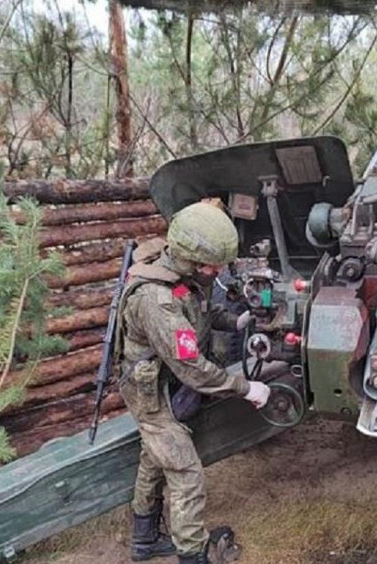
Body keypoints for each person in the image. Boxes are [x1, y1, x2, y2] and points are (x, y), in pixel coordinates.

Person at [116, 202, 271, 563]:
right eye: (210, 265)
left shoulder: (183, 280)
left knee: (154, 461)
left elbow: (201, 312)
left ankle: (144, 542)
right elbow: (194, 369)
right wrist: (246, 388)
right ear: (188, 257)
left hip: (168, 386)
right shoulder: (155, 300)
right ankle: (193, 554)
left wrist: (238, 321)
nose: (216, 271)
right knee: (185, 472)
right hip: (152, 395)